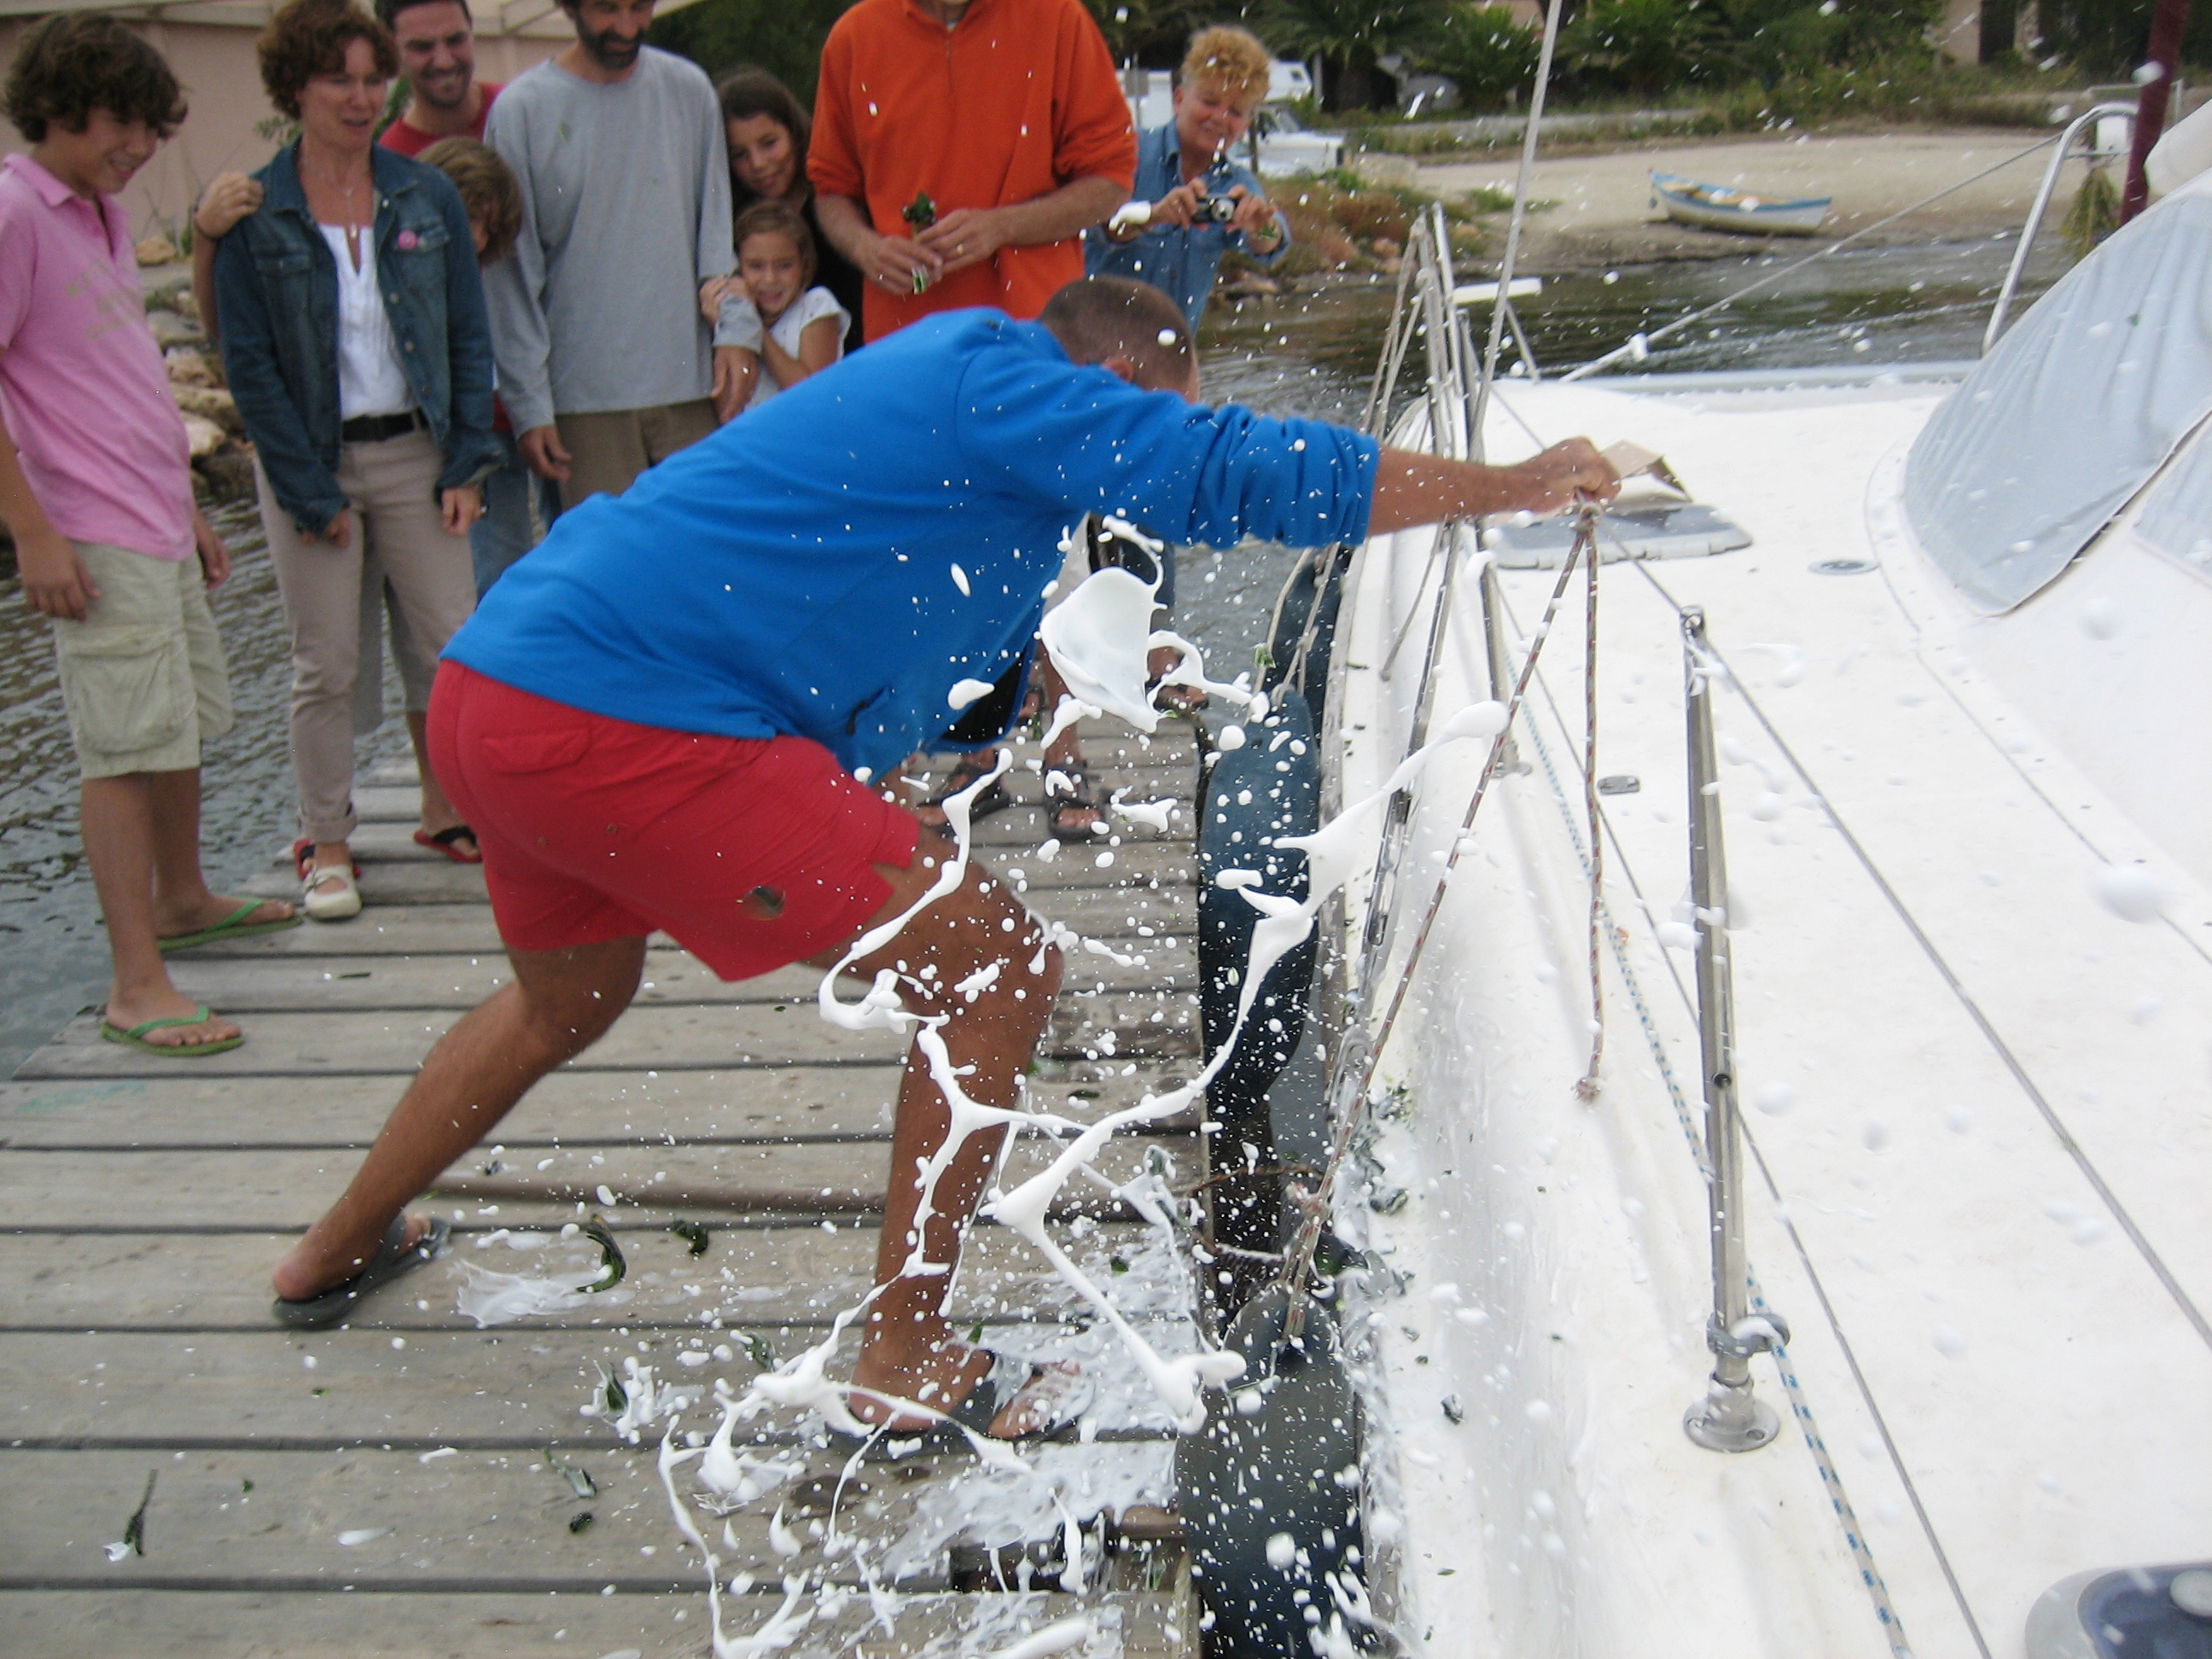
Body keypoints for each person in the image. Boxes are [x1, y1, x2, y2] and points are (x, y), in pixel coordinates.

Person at [264, 275, 1618, 1443]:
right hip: (631, 722)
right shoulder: (1002, 374)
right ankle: (901, 1359)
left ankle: (332, 1246)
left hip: (500, 690)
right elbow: (1234, 471)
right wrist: (1505, 490)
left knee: (567, 1001)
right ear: (1110, 384)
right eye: (1142, 422)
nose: (1129, 468)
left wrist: (1071, 676)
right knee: (999, 972)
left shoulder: (953, 416)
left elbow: (948, 691)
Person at [0, 15, 298, 1057]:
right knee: (123, 748)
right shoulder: (15, 210)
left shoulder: (100, 211)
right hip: (88, 527)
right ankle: (135, 982)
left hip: (154, 516)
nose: (136, 147)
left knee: (178, 725)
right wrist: (33, 532)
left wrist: (187, 507)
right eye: (118, 124)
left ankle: (182, 897)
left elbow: (114, 373)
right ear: (57, 108)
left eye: (147, 127)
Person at [212, 0, 500, 920]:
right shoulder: (256, 213)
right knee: (326, 663)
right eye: (338, 79)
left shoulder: (426, 193)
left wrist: (466, 463)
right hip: (313, 462)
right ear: (294, 88)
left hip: (417, 451)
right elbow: (249, 366)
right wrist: (306, 490)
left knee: (453, 647)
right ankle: (326, 838)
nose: (361, 96)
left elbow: (466, 334)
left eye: (373, 78)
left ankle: (455, 809)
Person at [483, 0, 750, 509]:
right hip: (583, 404)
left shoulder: (690, 90)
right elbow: (511, 278)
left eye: (639, 6)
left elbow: (717, 238)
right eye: (608, 8)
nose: (627, 26)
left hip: (695, 389)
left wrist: (736, 334)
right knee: (610, 557)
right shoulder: (521, 110)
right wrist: (529, 407)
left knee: (704, 549)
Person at [807, 0, 1136, 343]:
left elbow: (1111, 182)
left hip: (1034, 333)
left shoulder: (1058, 18)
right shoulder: (854, 37)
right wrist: (865, 248)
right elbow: (831, 189)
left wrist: (1003, 226)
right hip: (905, 339)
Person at [1085, 26, 1290, 335]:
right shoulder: (1128, 154)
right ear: (1179, 99)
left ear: (1246, 125)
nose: (1220, 117)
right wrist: (1154, 216)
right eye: (1210, 102)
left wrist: (1261, 224)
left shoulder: (1236, 184)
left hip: (1170, 356)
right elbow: (1097, 227)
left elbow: (1270, 245)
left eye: (1236, 111)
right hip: (1089, 345)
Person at [418, 135, 551, 595]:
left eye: (487, 226)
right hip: (467, 441)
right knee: (496, 575)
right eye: (470, 219)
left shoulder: (483, 267)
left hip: (512, 422)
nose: (476, 237)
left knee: (516, 568)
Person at [713, 66, 864, 355]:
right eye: (740, 154)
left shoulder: (838, 202)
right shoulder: (732, 224)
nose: (758, 164)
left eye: (769, 144)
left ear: (794, 132)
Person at [724, 199, 849, 413]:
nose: (770, 279)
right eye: (756, 266)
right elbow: (728, 412)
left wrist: (755, 327)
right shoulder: (735, 318)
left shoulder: (816, 305)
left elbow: (810, 393)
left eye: (784, 266)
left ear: (804, 265)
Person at [375, 0, 499, 154]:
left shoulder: (520, 113)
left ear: (471, 29)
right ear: (392, 51)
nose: (444, 62)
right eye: (422, 47)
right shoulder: (392, 159)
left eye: (455, 40)